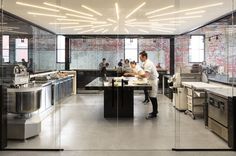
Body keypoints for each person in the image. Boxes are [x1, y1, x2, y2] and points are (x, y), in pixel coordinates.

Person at [139, 51, 159, 119]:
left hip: (153, 81)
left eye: (140, 57)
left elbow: (146, 75)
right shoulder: (145, 63)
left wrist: (138, 75)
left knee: (153, 97)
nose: (140, 59)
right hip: (150, 80)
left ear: (144, 57)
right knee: (151, 97)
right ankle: (155, 111)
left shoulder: (148, 63)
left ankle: (154, 113)